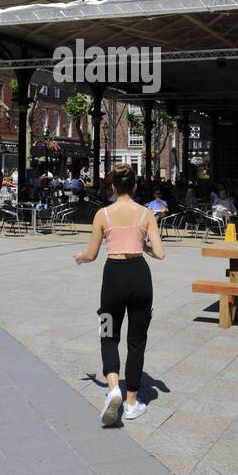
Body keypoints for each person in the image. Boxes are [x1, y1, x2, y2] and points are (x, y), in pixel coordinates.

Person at [73, 164, 165, 426]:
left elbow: (91, 255)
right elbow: (160, 254)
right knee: (137, 341)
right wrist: (143, 244)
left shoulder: (103, 214)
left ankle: (113, 387)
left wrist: (79, 258)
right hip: (139, 276)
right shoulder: (147, 214)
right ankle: (132, 403)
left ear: (113, 187)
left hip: (112, 277)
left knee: (107, 331)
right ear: (135, 186)